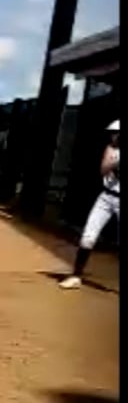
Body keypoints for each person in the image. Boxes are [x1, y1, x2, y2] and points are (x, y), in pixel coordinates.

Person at [61, 120, 121, 290]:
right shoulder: (111, 149)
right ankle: (76, 276)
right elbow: (103, 170)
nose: (113, 136)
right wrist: (115, 162)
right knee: (88, 236)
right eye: (112, 133)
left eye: (116, 133)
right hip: (106, 197)